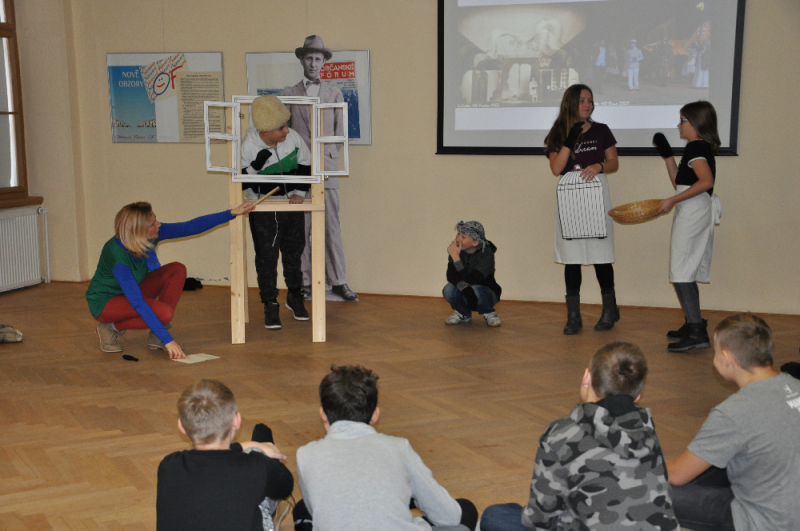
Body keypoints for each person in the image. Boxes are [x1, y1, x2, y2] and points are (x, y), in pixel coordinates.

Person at [480, 342, 678, 531]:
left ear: (586, 378)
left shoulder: (562, 433)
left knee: (494, 516)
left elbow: (540, 521)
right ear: (637, 396)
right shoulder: (647, 429)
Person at [292, 365, 479, 531]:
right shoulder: (399, 448)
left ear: (323, 414)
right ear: (375, 415)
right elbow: (449, 517)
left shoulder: (305, 455)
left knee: (302, 510)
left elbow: (316, 512)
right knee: (465, 509)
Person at [666, 313, 800, 531]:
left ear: (727, 357)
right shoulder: (795, 384)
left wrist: (640, 463)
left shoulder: (733, 412)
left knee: (646, 487)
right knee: (716, 460)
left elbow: (677, 475)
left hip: (769, 523)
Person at [86, 200, 255, 359]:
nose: (158, 224)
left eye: (156, 220)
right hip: (105, 302)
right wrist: (168, 340)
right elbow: (138, 303)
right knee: (164, 313)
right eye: (153, 224)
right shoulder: (118, 257)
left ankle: (157, 333)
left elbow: (190, 227)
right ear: (138, 232)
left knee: (176, 269)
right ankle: (111, 328)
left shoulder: (150, 235)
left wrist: (232, 213)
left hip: (132, 289)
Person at [156, 379, 294, 531]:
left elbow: (212, 458)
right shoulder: (256, 466)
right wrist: (260, 451)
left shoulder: (168, 466)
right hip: (262, 472)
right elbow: (286, 487)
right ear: (237, 421)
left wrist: (245, 446)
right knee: (263, 488)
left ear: (181, 426)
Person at [282, 35, 358, 303]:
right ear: (302, 60)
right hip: (299, 171)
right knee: (300, 228)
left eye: (317, 59)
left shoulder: (334, 93)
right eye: (309, 58)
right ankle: (305, 282)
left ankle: (338, 281)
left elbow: (340, 134)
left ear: (323, 62)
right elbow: (284, 134)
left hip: (327, 170)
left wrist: (326, 158)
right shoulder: (289, 94)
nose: (313, 63)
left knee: (331, 227)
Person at [544, 84, 620, 335]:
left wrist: (599, 166)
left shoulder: (601, 130)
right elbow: (557, 168)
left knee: (601, 254)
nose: (587, 105)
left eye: (590, 100)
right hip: (570, 199)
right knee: (572, 257)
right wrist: (570, 138)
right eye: (581, 100)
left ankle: (610, 310)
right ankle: (573, 316)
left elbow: (614, 163)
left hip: (596, 196)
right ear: (570, 103)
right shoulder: (557, 132)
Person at [652, 100, 721, 352]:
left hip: (693, 212)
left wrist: (672, 201)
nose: (678, 125)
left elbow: (706, 182)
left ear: (697, 123)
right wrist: (667, 156)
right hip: (690, 210)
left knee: (681, 269)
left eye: (683, 120)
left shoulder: (697, 147)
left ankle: (696, 332)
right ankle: (693, 323)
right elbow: (680, 183)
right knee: (682, 269)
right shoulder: (695, 147)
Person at [241, 94, 311, 331]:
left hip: (291, 205)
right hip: (263, 208)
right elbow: (242, 181)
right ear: (266, 129)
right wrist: (256, 166)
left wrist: (300, 192)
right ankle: (270, 303)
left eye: (286, 125)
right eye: (281, 127)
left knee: (294, 252)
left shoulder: (294, 138)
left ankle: (295, 297)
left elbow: (305, 164)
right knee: (266, 257)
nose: (286, 131)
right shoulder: (249, 146)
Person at [442, 220, 502, 327]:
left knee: (475, 290)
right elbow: (451, 276)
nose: (458, 239)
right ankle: (464, 313)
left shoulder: (486, 254)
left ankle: (488, 312)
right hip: (466, 289)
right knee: (448, 289)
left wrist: (456, 258)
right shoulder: (456, 251)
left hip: (485, 291)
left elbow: (473, 280)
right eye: (458, 234)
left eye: (463, 237)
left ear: (475, 243)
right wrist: (465, 288)